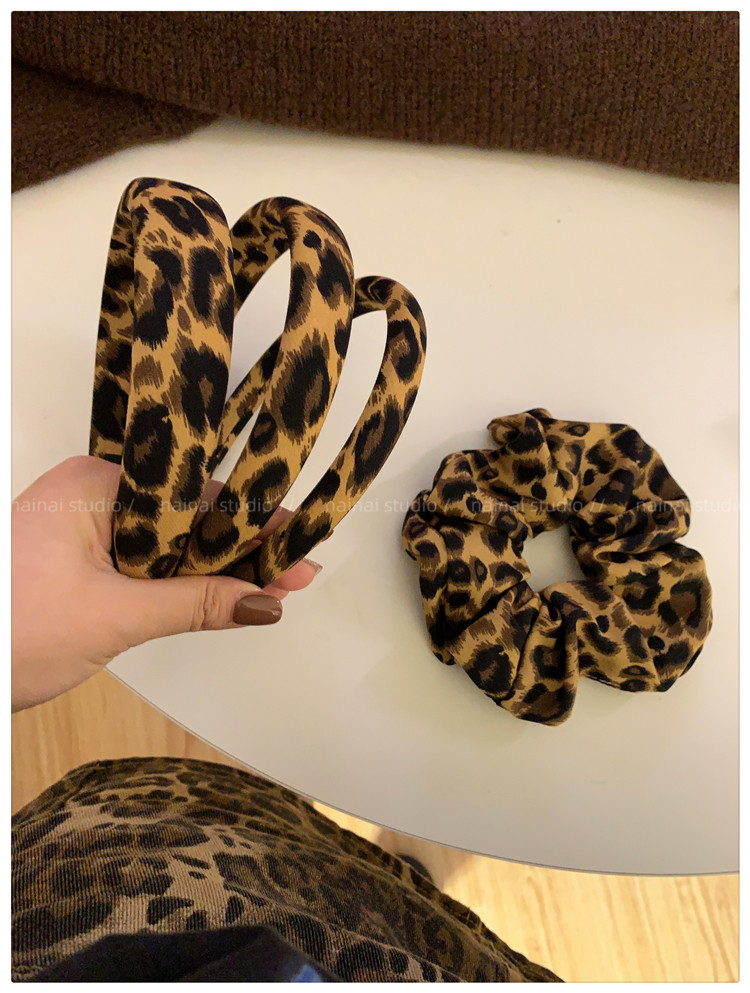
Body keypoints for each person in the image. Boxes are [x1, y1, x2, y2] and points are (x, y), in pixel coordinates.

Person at [11, 455, 560, 982]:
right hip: (157, 909)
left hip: (99, 892)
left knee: (268, 855)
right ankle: (382, 903)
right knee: (346, 903)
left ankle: (371, 893)